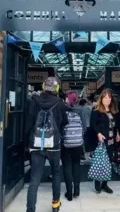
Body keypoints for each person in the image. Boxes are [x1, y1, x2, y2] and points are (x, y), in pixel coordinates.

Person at [25, 77, 68, 212]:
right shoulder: (60, 103)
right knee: (56, 174)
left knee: (35, 178)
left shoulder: (34, 101)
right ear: (56, 89)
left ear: (44, 86)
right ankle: (55, 206)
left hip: (36, 145)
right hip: (54, 145)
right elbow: (64, 121)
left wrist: (27, 142)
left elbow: (29, 123)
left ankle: (30, 208)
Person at [90, 89, 120, 194]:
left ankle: (105, 184)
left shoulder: (112, 109)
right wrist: (98, 133)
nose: (107, 100)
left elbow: (115, 124)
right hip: (101, 140)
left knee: (109, 163)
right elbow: (93, 124)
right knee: (100, 162)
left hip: (111, 140)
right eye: (105, 98)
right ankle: (97, 181)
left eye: (109, 98)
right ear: (101, 98)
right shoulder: (96, 109)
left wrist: (118, 133)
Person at [62, 91, 90, 201]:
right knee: (76, 165)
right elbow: (84, 127)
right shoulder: (82, 110)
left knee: (67, 167)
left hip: (66, 143)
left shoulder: (63, 110)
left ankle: (69, 192)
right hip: (78, 143)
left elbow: (61, 127)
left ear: (68, 99)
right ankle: (77, 190)